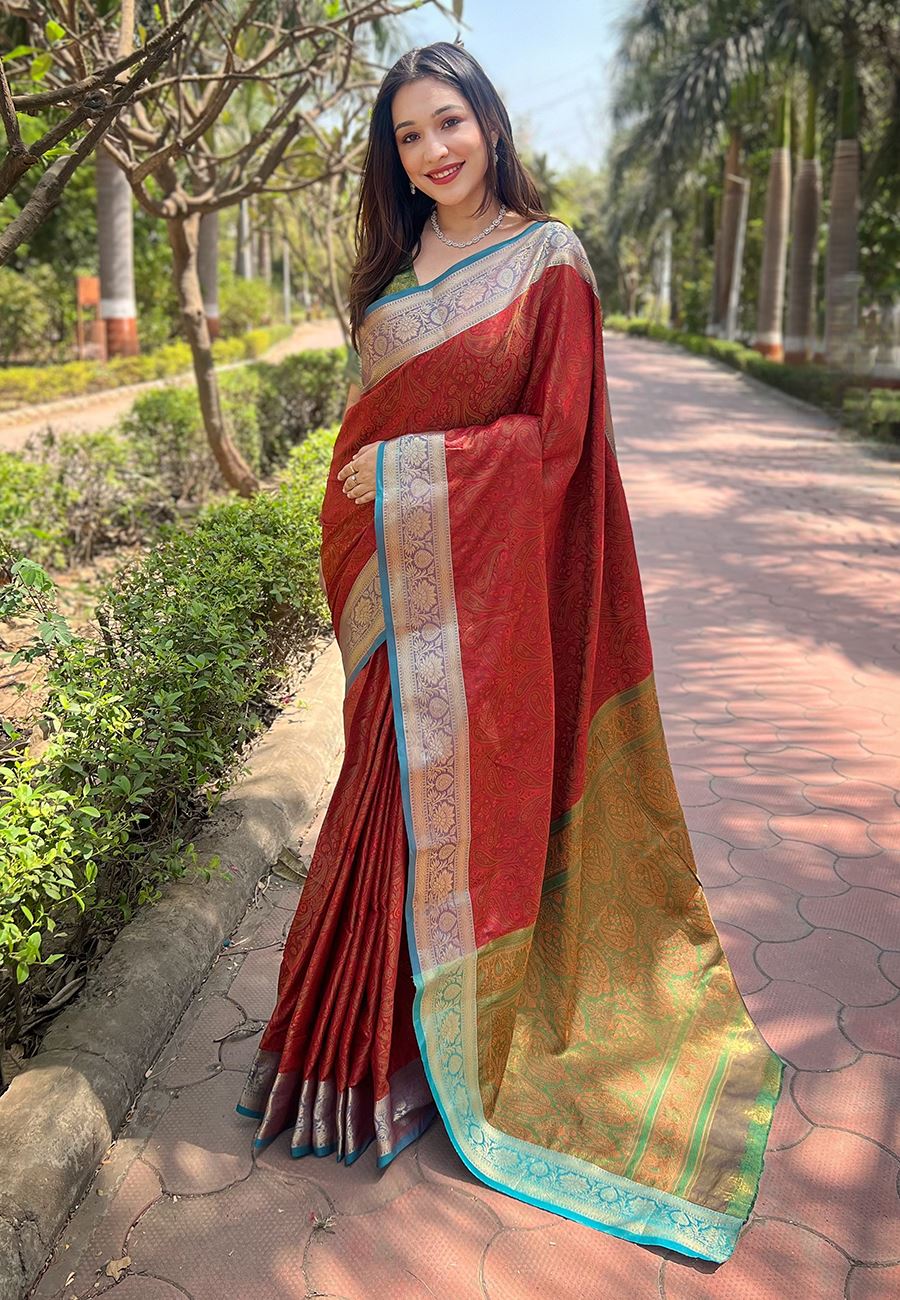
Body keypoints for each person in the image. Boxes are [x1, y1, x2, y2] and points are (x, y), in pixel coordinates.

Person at [237, 40, 784, 1264]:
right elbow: (365, 427)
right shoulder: (394, 268)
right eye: (409, 137)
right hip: (394, 584)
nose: (435, 151)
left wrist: (416, 478)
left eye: (450, 123)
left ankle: (440, 1047)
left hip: (481, 594)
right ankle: (351, 1049)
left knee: (463, 809)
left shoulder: (549, 263)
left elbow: (559, 440)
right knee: (380, 797)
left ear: (489, 120)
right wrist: (373, 486)